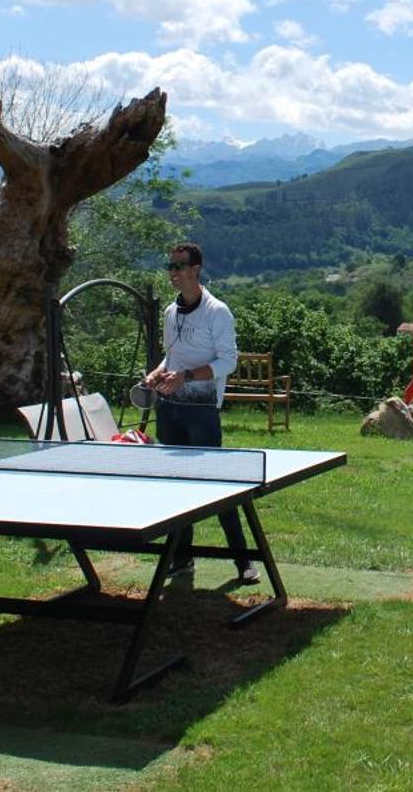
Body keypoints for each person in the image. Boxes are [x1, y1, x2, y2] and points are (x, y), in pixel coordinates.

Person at [142, 241, 257, 584]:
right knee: (176, 487)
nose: (173, 272)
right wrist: (157, 372)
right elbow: (172, 357)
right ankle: (182, 558)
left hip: (202, 411)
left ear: (196, 270)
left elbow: (229, 361)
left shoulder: (217, 311)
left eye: (179, 266)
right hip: (169, 408)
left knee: (219, 488)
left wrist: (187, 376)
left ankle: (244, 562)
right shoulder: (169, 312)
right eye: (170, 266)